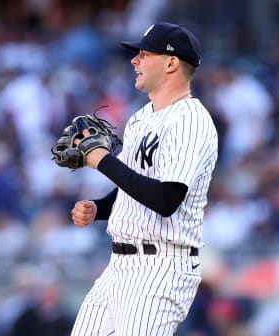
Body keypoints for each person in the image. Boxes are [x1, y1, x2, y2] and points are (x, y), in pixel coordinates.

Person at [70, 22, 218, 335]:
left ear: (171, 62)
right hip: (120, 265)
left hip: (161, 266)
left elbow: (166, 199)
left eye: (144, 53)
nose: (135, 61)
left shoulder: (190, 120)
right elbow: (132, 184)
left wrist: (103, 161)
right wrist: (99, 208)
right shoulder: (142, 117)